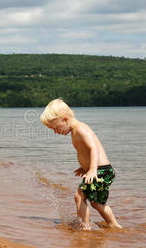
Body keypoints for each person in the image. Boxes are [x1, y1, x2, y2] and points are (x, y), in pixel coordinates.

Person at [40, 99, 122, 230]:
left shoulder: (81, 129)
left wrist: (92, 169)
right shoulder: (75, 131)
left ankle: (85, 227)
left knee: (79, 195)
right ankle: (114, 225)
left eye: (55, 128)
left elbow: (94, 148)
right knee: (97, 203)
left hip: (100, 171)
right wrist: (84, 167)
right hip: (103, 171)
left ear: (65, 119)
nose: (55, 132)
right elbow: (86, 152)